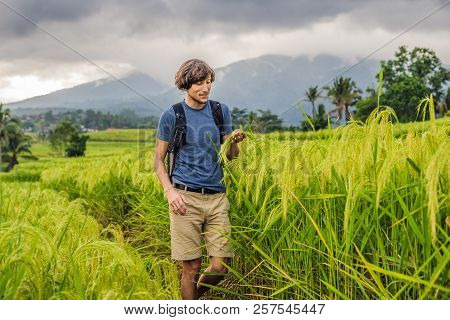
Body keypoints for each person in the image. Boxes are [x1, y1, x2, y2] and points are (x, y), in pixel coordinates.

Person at [153, 59, 246, 300]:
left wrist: (234, 143)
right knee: (191, 268)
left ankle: (189, 301)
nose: (205, 88)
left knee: (220, 267)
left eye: (208, 82)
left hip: (217, 198)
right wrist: (170, 192)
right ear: (186, 85)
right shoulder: (172, 115)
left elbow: (230, 157)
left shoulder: (219, 111)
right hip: (185, 199)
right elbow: (158, 161)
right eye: (198, 83)